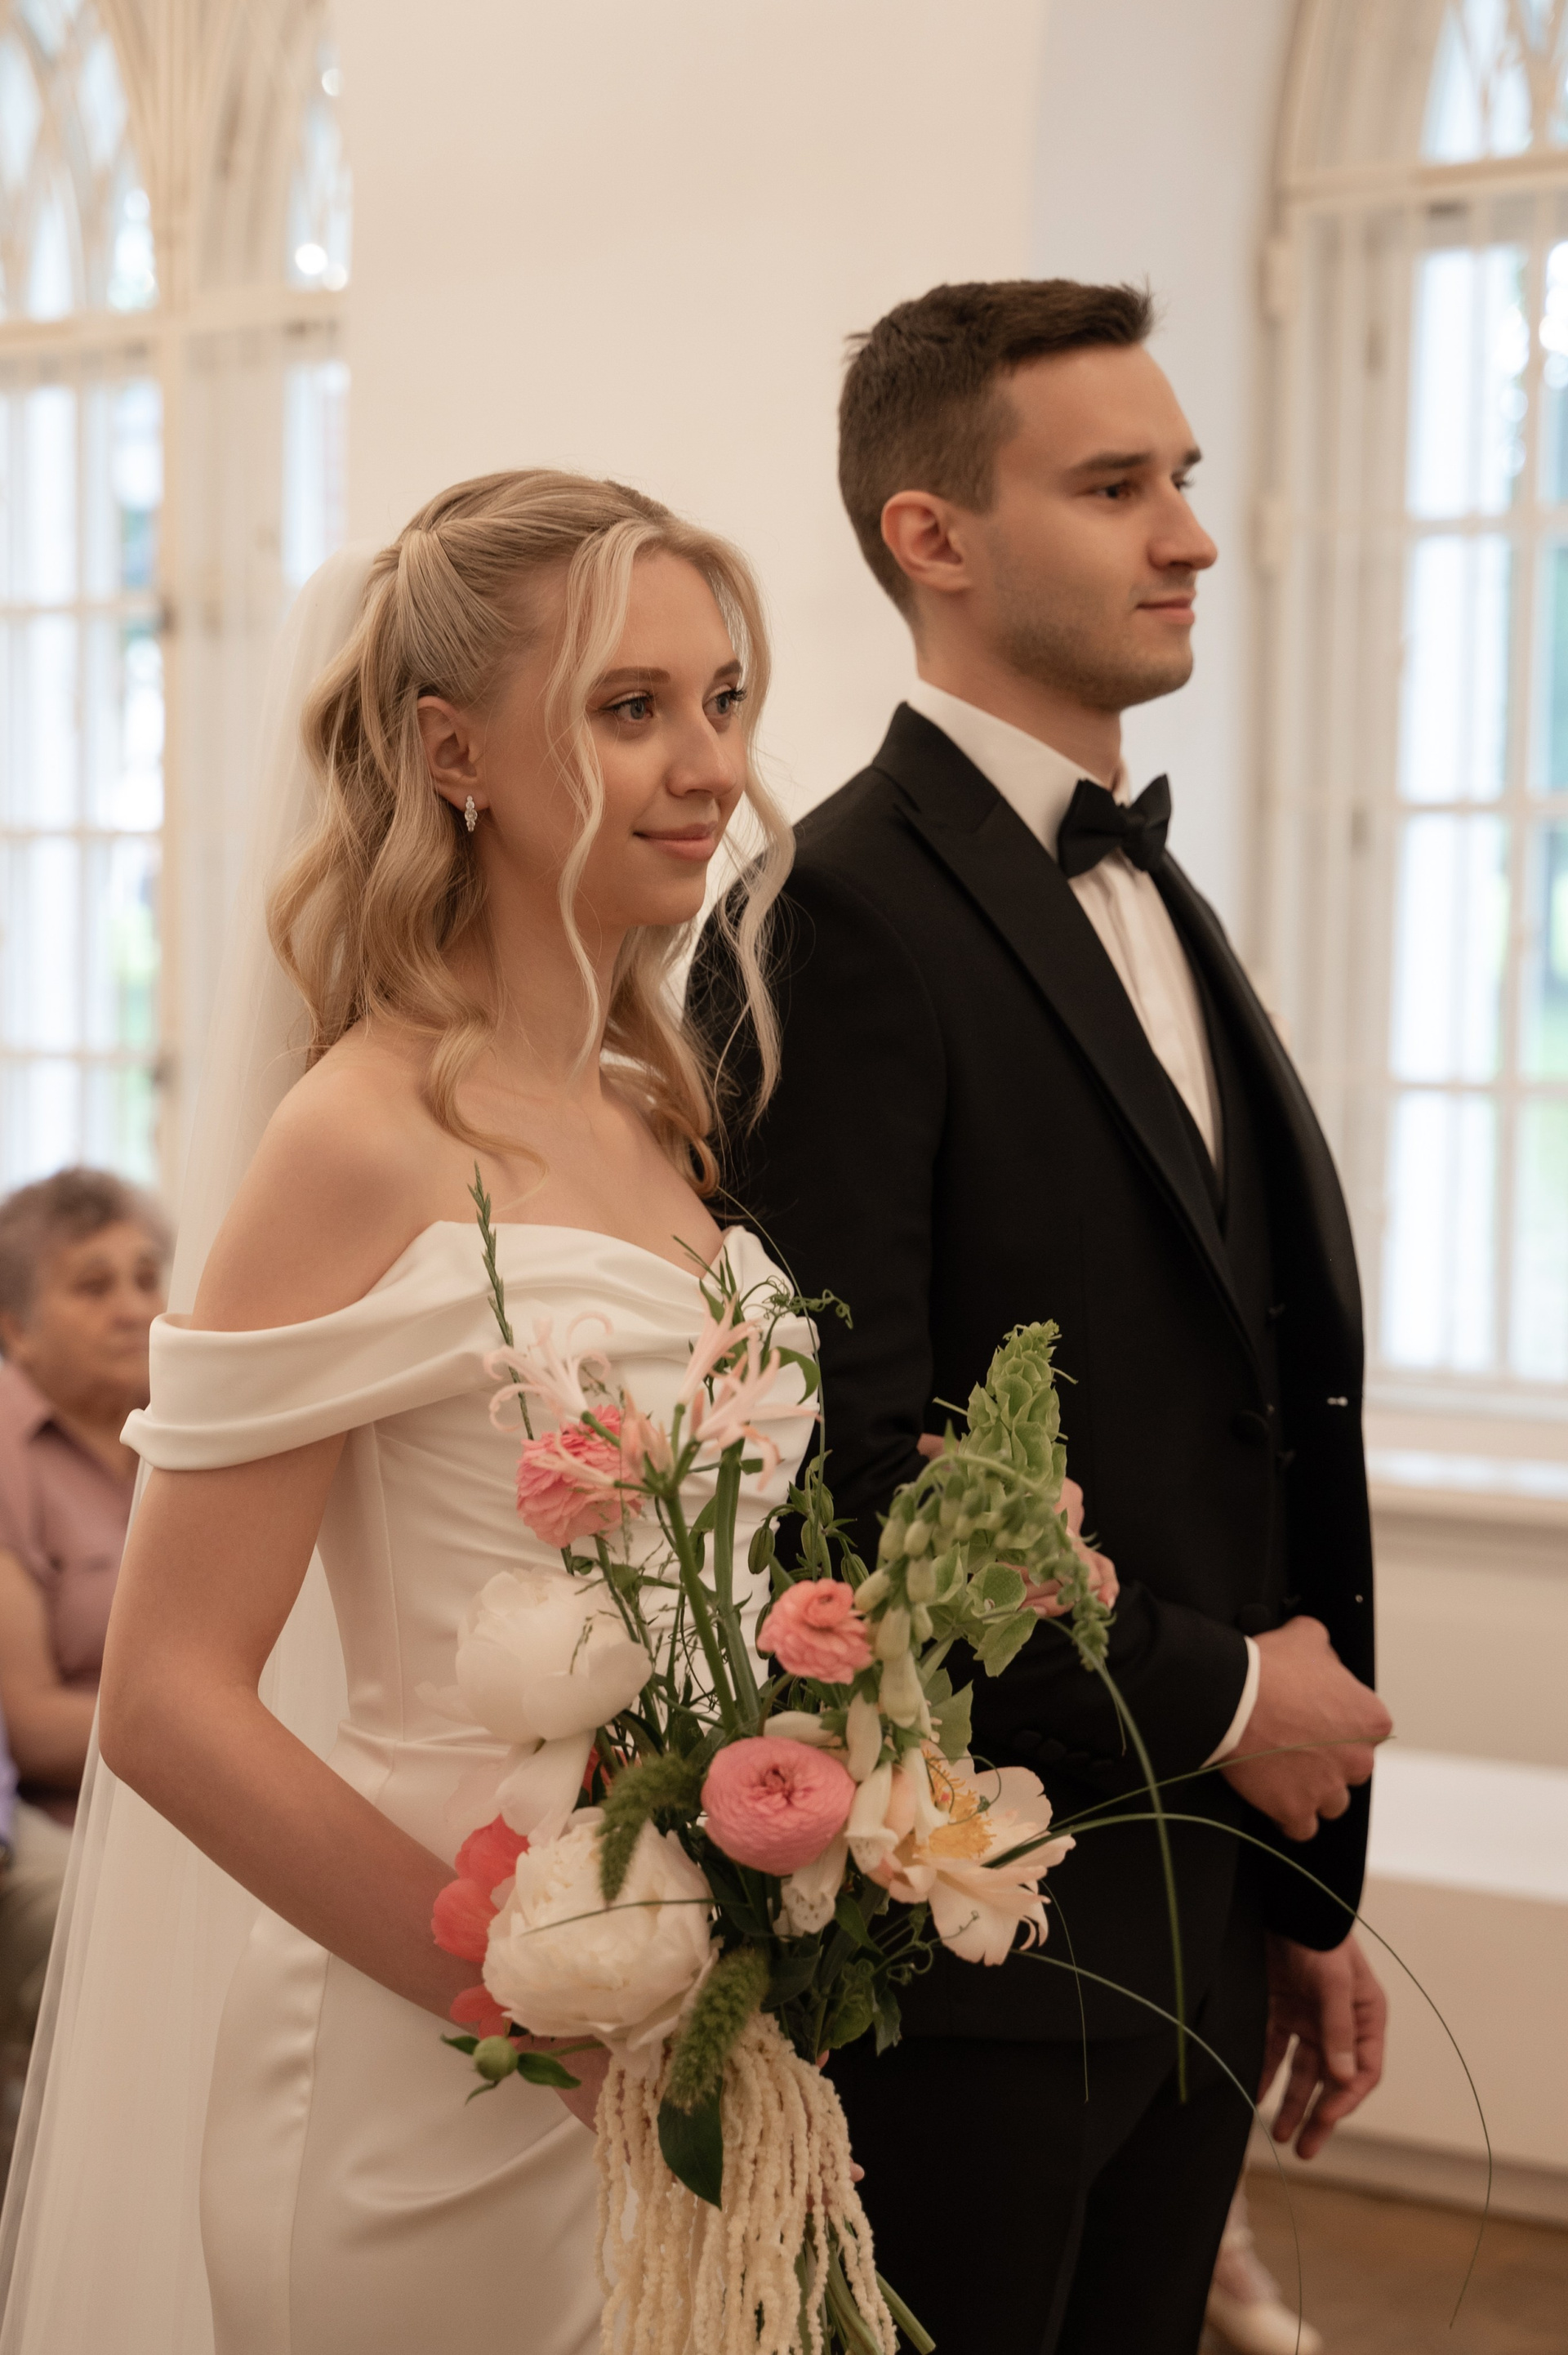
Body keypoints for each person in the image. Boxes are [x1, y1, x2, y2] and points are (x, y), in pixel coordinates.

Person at [0, 474, 813, 2355]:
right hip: (423, 2064)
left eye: (722, 697)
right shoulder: (358, 1134)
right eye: (628, 707)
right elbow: (168, 1695)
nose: (708, 763)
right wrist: (527, 1999)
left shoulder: (651, 1111)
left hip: (673, 2008)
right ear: (454, 752)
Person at [691, 278, 1393, 2355]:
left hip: (1195, 1923)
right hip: (968, 1961)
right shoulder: (833, 913)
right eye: (1114, 487)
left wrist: (1293, 1892)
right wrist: (1230, 1702)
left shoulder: (1158, 891)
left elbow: (1243, 1405)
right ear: (933, 534)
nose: (1190, 534)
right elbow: (839, 1474)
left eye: (1182, 477)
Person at [0, 1170, 169, 1824]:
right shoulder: (9, 1454)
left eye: (146, 1279)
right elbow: (32, 1726)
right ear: (17, 1330)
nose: (133, 1309)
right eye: (94, 1287)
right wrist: (223, 1739)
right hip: (73, 1819)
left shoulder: (190, 1421)